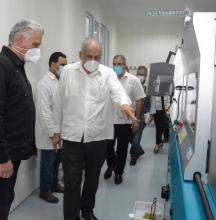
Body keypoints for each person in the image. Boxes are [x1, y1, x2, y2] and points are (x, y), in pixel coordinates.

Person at [52, 39, 136, 220]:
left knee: (92, 179)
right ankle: (71, 217)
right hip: (72, 136)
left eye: (97, 57)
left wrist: (125, 105)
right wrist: (56, 131)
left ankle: (87, 210)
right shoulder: (67, 72)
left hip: (97, 136)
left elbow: (118, 92)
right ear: (80, 55)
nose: (93, 60)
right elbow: (59, 102)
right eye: (89, 56)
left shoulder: (107, 74)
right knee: (71, 181)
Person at [0, 19, 44, 220]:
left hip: (13, 152)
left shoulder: (17, 65)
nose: (38, 50)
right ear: (20, 39)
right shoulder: (3, 65)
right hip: (4, 156)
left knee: (7, 198)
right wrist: (2, 159)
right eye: (36, 44)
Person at [104, 55, 146, 184]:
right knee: (108, 147)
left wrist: (136, 120)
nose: (116, 66)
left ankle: (118, 172)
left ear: (124, 65)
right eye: (114, 63)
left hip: (125, 122)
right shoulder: (108, 79)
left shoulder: (133, 80)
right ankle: (111, 165)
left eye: (119, 64)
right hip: (109, 121)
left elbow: (139, 100)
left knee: (122, 149)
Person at [35, 52, 67, 203]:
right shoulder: (44, 83)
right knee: (48, 162)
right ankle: (45, 190)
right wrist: (52, 133)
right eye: (62, 65)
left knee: (56, 161)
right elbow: (44, 112)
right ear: (52, 64)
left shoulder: (61, 81)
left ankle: (54, 184)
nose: (64, 67)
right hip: (49, 133)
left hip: (60, 132)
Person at [129, 66, 151, 166]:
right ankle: (139, 150)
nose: (139, 76)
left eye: (142, 74)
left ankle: (134, 155)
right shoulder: (133, 85)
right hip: (131, 115)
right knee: (130, 136)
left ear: (145, 76)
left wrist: (150, 115)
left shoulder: (148, 88)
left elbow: (151, 102)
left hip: (142, 116)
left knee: (136, 137)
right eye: (138, 74)